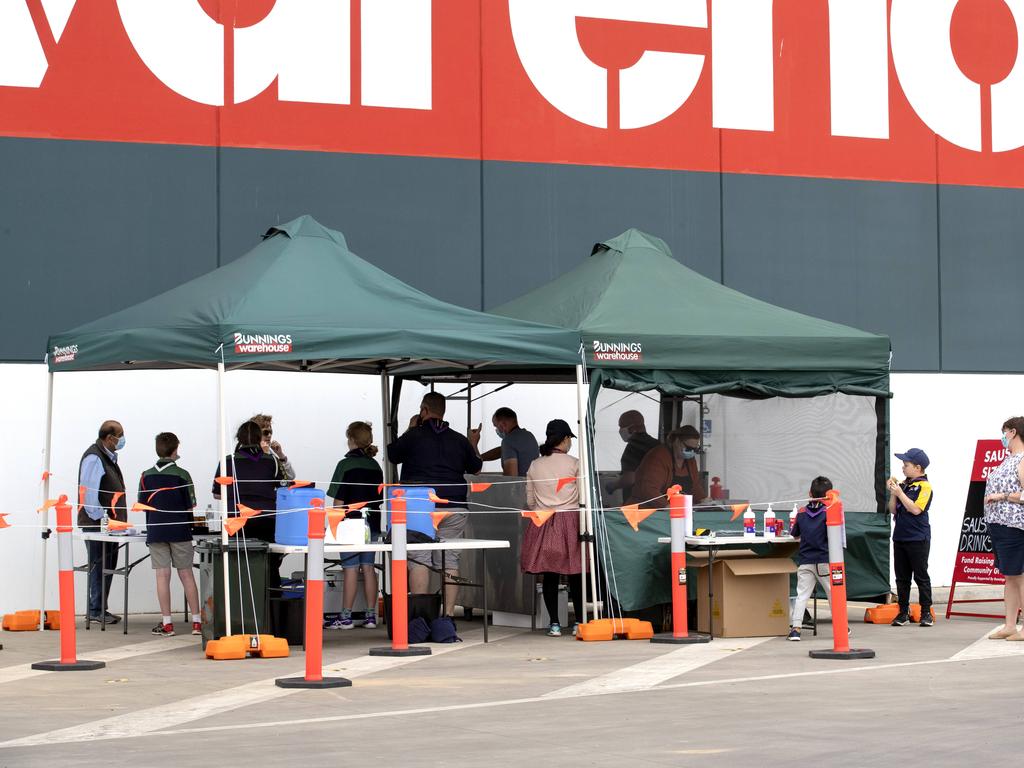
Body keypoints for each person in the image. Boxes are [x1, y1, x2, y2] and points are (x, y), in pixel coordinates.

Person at [387, 392, 482, 617]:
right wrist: (473, 443)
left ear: (423, 410)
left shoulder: (414, 436)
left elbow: (393, 455)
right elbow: (476, 467)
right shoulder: (459, 439)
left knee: (419, 558)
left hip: (420, 507)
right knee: (449, 559)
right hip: (454, 506)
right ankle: (447, 617)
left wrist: (410, 429)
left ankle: (420, 617)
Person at [523, 419, 583, 637]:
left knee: (550, 575)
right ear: (566, 439)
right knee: (576, 573)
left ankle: (554, 625)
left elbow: (530, 501)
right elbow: (584, 496)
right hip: (571, 520)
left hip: (543, 521)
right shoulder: (575, 463)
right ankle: (578, 623)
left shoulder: (535, 465)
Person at [139, 432, 201, 637]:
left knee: (162, 575)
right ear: (176, 449)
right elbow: (191, 504)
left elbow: (142, 504)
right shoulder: (183, 475)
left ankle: (167, 624)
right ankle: (197, 622)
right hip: (180, 530)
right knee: (186, 574)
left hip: (156, 530)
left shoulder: (145, 475)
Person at [213, 421, 288, 587]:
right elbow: (284, 487)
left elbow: (217, 494)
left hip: (236, 520)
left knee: (235, 563)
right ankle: (270, 606)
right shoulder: (272, 461)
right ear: (258, 437)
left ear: (238, 438)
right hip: (267, 520)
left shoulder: (227, 461)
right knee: (270, 564)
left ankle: (239, 603)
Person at [325, 421, 384, 630]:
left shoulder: (345, 465)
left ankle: (346, 616)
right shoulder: (376, 466)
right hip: (373, 523)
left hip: (350, 524)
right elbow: (379, 499)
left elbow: (338, 501)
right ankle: (370, 616)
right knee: (368, 568)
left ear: (351, 440)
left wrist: (333, 525)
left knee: (350, 568)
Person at [78, 420, 127, 625]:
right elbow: (88, 495)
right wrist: (102, 522)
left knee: (107, 565)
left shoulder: (107, 457)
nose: (122, 440)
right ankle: (96, 609)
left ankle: (100, 608)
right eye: (120, 435)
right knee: (99, 566)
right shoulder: (94, 457)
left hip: (110, 526)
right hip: (98, 525)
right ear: (109, 438)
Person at [983, 417, 1024, 640]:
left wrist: (1002, 496)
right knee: (1010, 576)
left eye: (1004, 431)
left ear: (1013, 432)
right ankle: (1010, 624)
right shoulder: (1009, 459)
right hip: (998, 523)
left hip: (1014, 525)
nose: (1002, 436)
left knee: (1019, 576)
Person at [788, 476, 840, 641]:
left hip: (805, 560)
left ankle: (795, 629)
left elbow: (795, 535)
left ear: (810, 493)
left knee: (801, 595)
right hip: (824, 560)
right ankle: (841, 628)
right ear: (830, 494)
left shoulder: (802, 512)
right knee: (833, 594)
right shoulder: (829, 511)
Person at [886, 447, 934, 627]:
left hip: (918, 537)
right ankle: (902, 612)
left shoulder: (924, 486)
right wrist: (893, 493)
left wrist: (900, 494)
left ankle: (926, 612)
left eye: (906, 465)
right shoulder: (904, 485)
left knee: (921, 576)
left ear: (918, 467)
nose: (903, 468)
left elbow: (915, 509)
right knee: (902, 577)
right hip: (900, 537)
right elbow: (892, 509)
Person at [628, 425, 707, 508]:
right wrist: (667, 506)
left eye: (695, 450)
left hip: (670, 512)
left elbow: (694, 486)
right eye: (688, 448)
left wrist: (704, 501)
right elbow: (649, 489)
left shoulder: (690, 460)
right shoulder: (658, 456)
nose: (691, 452)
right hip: (643, 512)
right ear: (677, 441)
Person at [605, 410, 660, 502]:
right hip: (657, 499)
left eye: (621, 427)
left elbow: (630, 479)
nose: (619, 430)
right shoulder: (657, 444)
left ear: (632, 428)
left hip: (637, 502)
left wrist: (613, 485)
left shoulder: (633, 447)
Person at [477, 407, 539, 477]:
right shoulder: (529, 436)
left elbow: (511, 478)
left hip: (521, 487)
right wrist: (479, 458)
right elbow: (500, 451)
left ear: (503, 424)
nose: (497, 430)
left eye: (496, 426)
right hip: (535, 486)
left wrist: (474, 442)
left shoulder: (508, 441)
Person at [250, 413, 296, 481]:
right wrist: (265, 455)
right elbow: (262, 478)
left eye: (271, 432)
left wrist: (280, 455)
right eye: (265, 432)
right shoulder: (249, 452)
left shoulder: (270, 452)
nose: (269, 435)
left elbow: (290, 477)